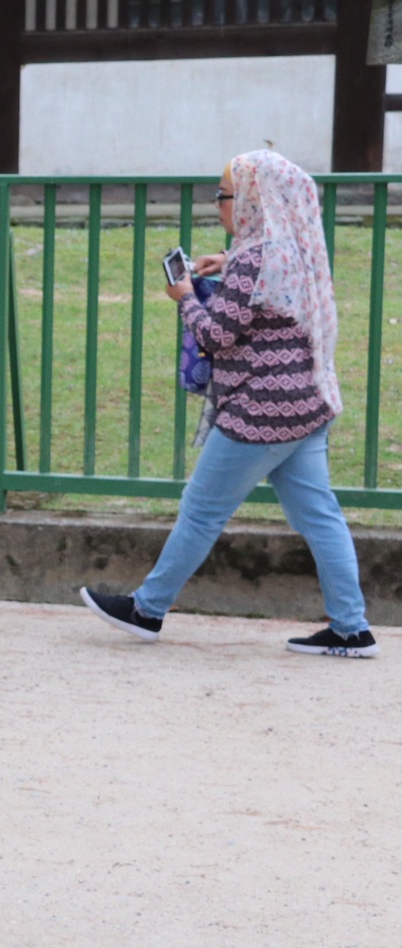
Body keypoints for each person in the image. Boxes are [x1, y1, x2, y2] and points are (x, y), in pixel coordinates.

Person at [81, 150, 378, 659]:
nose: (218, 204)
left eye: (224, 195)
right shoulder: (294, 248)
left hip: (260, 412)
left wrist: (184, 298)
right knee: (320, 516)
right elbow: (265, 294)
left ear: (253, 200)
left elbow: (217, 335)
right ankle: (352, 629)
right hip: (306, 404)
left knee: (201, 511)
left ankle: (147, 610)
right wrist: (227, 260)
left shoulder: (254, 259)